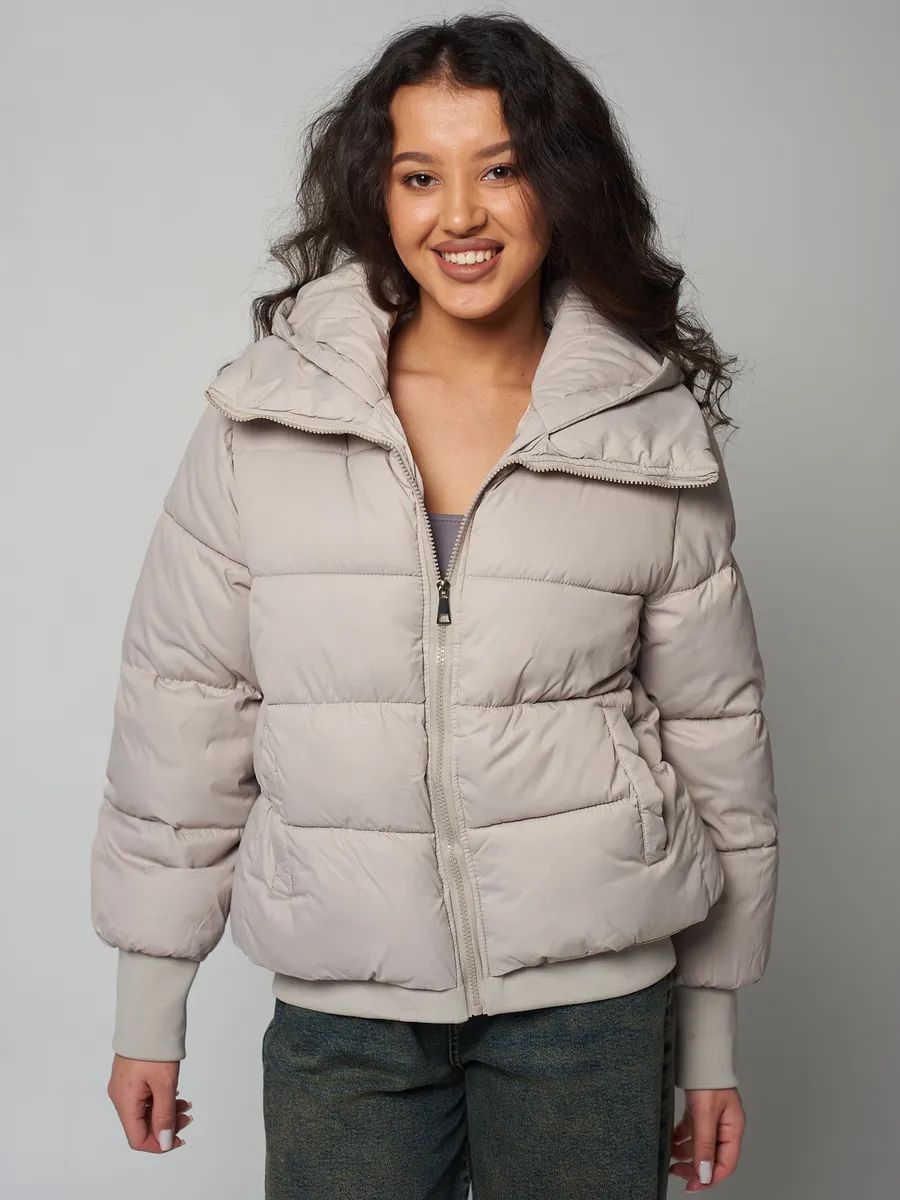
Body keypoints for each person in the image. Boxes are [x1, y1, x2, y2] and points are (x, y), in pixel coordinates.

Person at [90, 12, 779, 1198]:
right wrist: (150, 1004)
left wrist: (709, 1035)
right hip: (344, 1009)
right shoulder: (268, 416)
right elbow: (184, 709)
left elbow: (716, 737)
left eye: (499, 170)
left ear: (560, 185)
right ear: (378, 194)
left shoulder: (643, 429)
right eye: (420, 176)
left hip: (593, 1010)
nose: (459, 215)